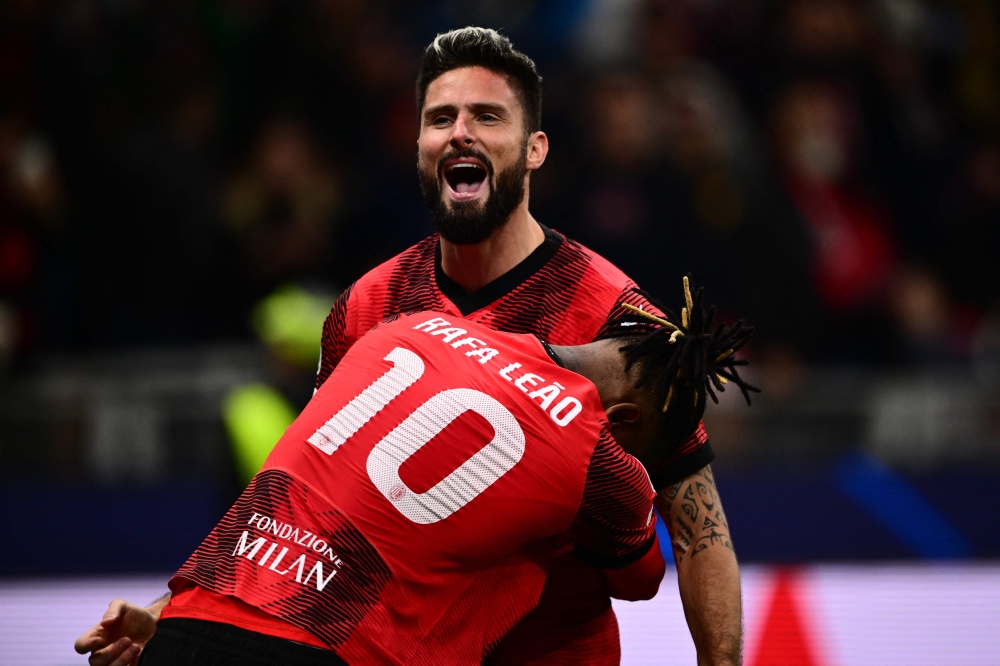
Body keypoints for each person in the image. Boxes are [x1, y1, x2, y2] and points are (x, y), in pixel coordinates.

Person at [76, 27, 744, 666]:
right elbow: (300, 497)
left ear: (535, 148)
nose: (460, 131)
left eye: (487, 116)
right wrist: (170, 610)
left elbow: (698, 530)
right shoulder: (368, 304)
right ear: (418, 145)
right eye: (441, 117)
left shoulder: (617, 322)